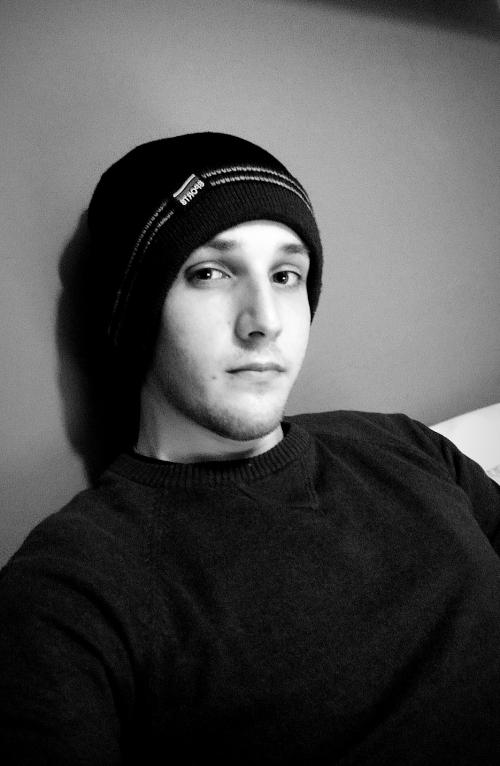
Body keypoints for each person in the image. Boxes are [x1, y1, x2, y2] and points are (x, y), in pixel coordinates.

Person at [1, 132, 500, 766]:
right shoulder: (72, 591)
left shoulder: (404, 445)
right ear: (136, 309)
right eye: (210, 273)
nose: (265, 319)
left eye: (287, 276)